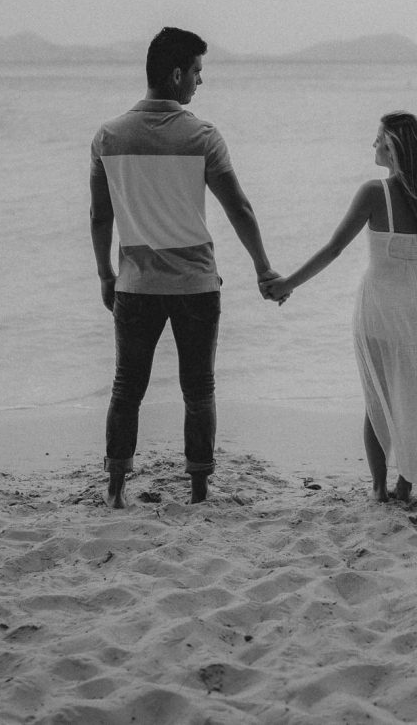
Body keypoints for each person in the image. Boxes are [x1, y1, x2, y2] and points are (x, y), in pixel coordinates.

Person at [89, 27, 279, 508]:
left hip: (135, 284)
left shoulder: (109, 137)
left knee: (126, 386)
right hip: (196, 284)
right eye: (196, 71)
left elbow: (100, 216)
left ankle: (115, 488)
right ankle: (198, 488)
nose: (200, 81)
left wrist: (105, 277)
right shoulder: (201, 135)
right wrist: (262, 268)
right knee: (199, 388)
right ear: (176, 74)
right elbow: (240, 208)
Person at [263, 112, 417, 502]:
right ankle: (404, 484)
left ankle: (378, 488)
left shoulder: (374, 193)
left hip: (379, 311)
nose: (372, 146)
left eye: (378, 140)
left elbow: (334, 249)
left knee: (377, 400)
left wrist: (288, 284)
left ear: (393, 149)